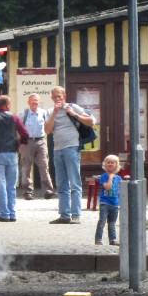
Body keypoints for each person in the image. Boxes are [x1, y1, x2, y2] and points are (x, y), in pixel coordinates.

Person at [44, 85, 96, 224]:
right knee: (61, 184)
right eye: (54, 97)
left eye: (59, 96)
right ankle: (64, 215)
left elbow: (92, 122)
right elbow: (48, 130)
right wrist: (54, 113)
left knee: (74, 182)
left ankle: (76, 215)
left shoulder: (73, 107)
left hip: (72, 148)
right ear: (51, 98)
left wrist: (74, 114)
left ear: (64, 97)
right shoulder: (50, 111)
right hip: (57, 150)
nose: (57, 99)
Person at [0, 95, 29, 222]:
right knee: (11, 186)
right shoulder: (14, 118)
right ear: (8, 105)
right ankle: (12, 213)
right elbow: (25, 134)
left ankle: (4, 214)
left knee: (0, 185)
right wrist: (19, 145)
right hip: (12, 154)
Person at [96, 154, 121, 245]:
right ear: (105, 164)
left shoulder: (118, 178)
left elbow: (119, 191)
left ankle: (112, 239)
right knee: (102, 221)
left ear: (116, 165)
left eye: (112, 163)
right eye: (108, 162)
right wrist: (110, 178)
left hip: (114, 203)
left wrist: (120, 202)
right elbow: (107, 187)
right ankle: (98, 239)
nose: (110, 164)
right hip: (105, 203)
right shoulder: (104, 176)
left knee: (112, 223)